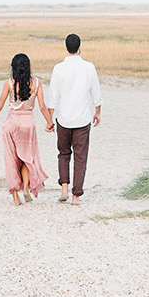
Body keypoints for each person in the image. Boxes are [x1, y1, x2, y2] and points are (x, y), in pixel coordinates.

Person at [0, 52, 54, 205]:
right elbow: (42, 107)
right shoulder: (37, 83)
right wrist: (50, 122)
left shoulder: (9, 83)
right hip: (28, 124)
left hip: (11, 123)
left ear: (13, 68)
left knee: (11, 159)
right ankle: (25, 188)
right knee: (26, 159)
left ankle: (15, 196)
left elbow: (0, 104)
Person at [47, 33, 102, 204]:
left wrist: (49, 119)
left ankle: (64, 187)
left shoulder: (58, 68)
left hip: (63, 118)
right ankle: (75, 196)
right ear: (80, 47)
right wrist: (97, 112)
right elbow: (96, 93)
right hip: (82, 119)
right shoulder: (89, 67)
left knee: (63, 153)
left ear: (65, 48)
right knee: (80, 157)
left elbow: (53, 96)